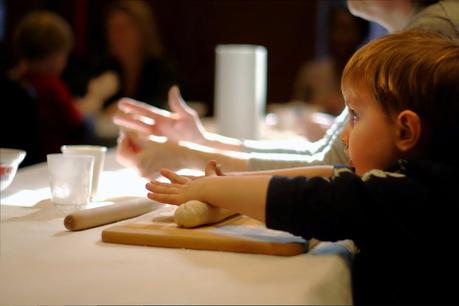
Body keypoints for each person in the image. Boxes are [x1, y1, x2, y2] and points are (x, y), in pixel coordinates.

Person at [145, 31, 459, 304]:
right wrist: (234, 181)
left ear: (405, 131)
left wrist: (205, 188)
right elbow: (334, 175)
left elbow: (307, 200)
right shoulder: (413, 180)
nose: (345, 136)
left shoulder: (410, 199)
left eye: (355, 116)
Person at [113, 0, 459, 179]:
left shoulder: (436, 30)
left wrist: (182, 156)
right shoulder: (423, 27)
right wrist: (202, 142)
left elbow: (336, 169)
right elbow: (329, 151)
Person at [9, 10, 118, 162]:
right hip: (51, 161)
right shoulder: (50, 86)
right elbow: (80, 128)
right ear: (55, 56)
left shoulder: (14, 81)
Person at [93, 0, 180, 115]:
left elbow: (163, 105)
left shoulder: (161, 70)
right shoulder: (104, 68)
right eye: (112, 29)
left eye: (123, 28)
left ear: (142, 31)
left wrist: (125, 110)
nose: (116, 36)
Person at [292, 6, 369, 116]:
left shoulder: (368, 76)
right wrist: (319, 107)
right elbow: (295, 112)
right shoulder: (312, 72)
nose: (338, 36)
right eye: (334, 28)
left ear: (360, 35)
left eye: (345, 29)